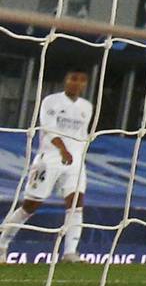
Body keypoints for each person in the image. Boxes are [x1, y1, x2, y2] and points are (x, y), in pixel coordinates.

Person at [0, 69, 94, 263]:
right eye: (74, 78)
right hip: (49, 159)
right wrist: (62, 150)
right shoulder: (51, 101)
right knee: (30, 206)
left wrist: (78, 155)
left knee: (76, 205)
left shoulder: (87, 107)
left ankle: (70, 252)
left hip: (75, 163)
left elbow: (82, 134)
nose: (78, 83)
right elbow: (48, 128)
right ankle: (2, 243)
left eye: (82, 80)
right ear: (66, 80)